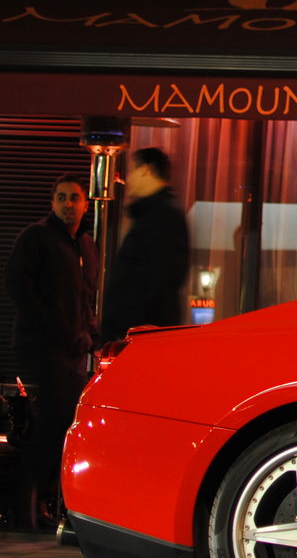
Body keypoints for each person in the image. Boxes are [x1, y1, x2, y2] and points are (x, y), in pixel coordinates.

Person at [3, 173, 99, 530]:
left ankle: (35, 506)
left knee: (59, 425)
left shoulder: (87, 246)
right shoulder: (36, 237)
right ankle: (26, 506)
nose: (67, 205)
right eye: (61, 198)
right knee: (55, 422)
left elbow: (87, 295)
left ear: (85, 203)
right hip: (43, 346)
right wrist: (45, 321)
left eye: (74, 198)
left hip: (74, 349)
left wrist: (91, 332)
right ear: (52, 202)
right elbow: (16, 283)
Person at [101, 148, 190, 342]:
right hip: (143, 333)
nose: (129, 179)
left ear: (146, 170)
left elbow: (146, 281)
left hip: (142, 336)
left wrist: (119, 326)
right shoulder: (159, 215)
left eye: (132, 170)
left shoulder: (160, 218)